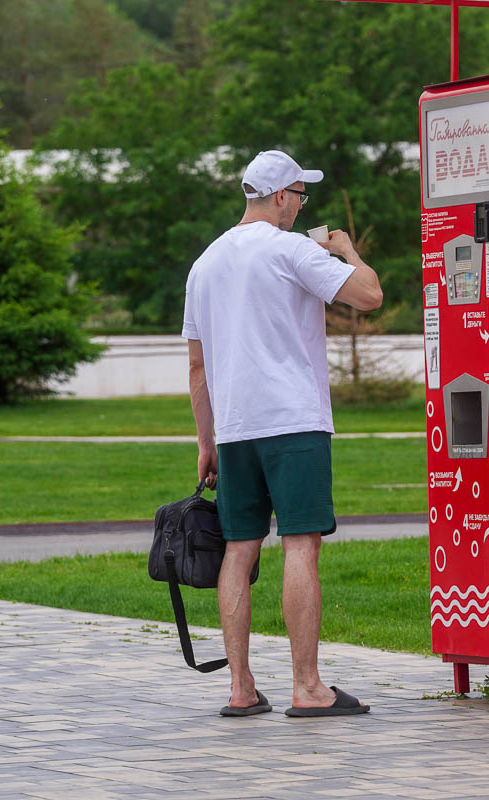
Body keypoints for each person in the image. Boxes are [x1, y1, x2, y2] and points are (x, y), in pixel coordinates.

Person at [181, 149, 382, 718]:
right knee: (300, 544)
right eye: (299, 194)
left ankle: (241, 688)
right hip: (293, 421)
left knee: (239, 549)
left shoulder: (204, 264)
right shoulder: (292, 249)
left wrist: (206, 442)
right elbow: (369, 295)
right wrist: (346, 252)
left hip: (235, 429)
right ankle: (308, 687)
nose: (301, 205)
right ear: (279, 197)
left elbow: (197, 367)